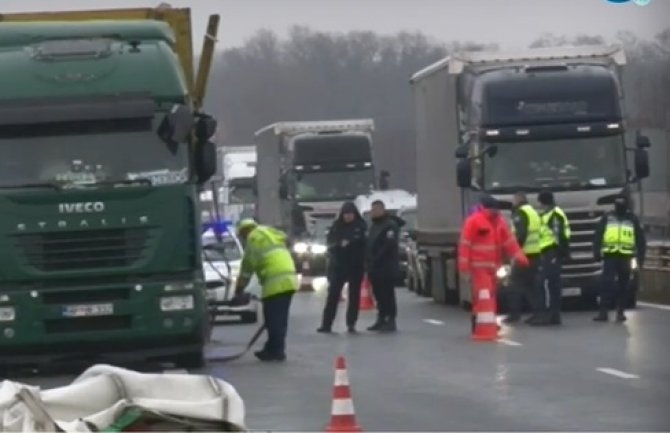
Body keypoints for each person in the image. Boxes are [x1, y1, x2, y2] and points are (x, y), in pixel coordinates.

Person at [458, 194, 529, 333]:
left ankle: (480, 321)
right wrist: (464, 267)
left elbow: (509, 242)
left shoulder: (499, 222)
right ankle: (485, 325)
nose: (495, 212)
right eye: (492, 209)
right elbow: (465, 245)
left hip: (493, 267)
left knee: (487, 296)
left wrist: (520, 256)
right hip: (479, 267)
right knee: (485, 295)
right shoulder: (474, 222)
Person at [233, 218, 298, 361]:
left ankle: (277, 351)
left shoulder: (253, 240)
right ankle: (271, 348)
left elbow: (246, 270)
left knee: (274, 319)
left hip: (275, 282)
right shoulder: (270, 232)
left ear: (244, 232)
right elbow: (288, 240)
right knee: (276, 318)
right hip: (289, 278)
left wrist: (238, 290)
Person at [592, 197, 646, 322]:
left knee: (624, 285)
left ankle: (620, 312)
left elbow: (640, 240)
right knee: (606, 284)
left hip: (625, 256)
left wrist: (640, 258)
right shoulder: (608, 217)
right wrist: (596, 251)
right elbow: (598, 235)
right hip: (610, 255)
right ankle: (603, 312)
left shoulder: (632, 219)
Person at [318, 202, 368, 333]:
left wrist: (350, 243)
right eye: (346, 214)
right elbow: (331, 244)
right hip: (338, 266)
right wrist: (339, 245)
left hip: (355, 266)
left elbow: (364, 245)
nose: (348, 217)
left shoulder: (361, 227)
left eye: (350, 214)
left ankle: (351, 323)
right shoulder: (336, 227)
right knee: (333, 296)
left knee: (354, 296)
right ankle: (326, 324)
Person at [365, 200, 404, 332]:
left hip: (386, 266)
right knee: (378, 293)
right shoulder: (373, 226)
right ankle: (381, 318)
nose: (374, 212)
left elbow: (388, 245)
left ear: (382, 209)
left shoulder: (390, 225)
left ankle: (391, 319)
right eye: (372, 210)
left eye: (376, 209)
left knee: (388, 293)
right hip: (374, 267)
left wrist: (377, 258)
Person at [534, 190, 571, 326]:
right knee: (551, 284)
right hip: (548, 252)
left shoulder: (554, 215)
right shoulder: (549, 214)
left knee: (545, 283)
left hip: (552, 252)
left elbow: (558, 234)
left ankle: (549, 314)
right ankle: (553, 315)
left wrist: (560, 252)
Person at [505, 192, 542, 324]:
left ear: (518, 200)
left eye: (514, 200)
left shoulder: (520, 213)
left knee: (514, 284)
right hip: (536, 253)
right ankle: (538, 313)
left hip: (524, 254)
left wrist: (515, 250)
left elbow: (521, 233)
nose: (512, 202)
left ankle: (514, 314)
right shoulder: (533, 212)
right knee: (530, 285)